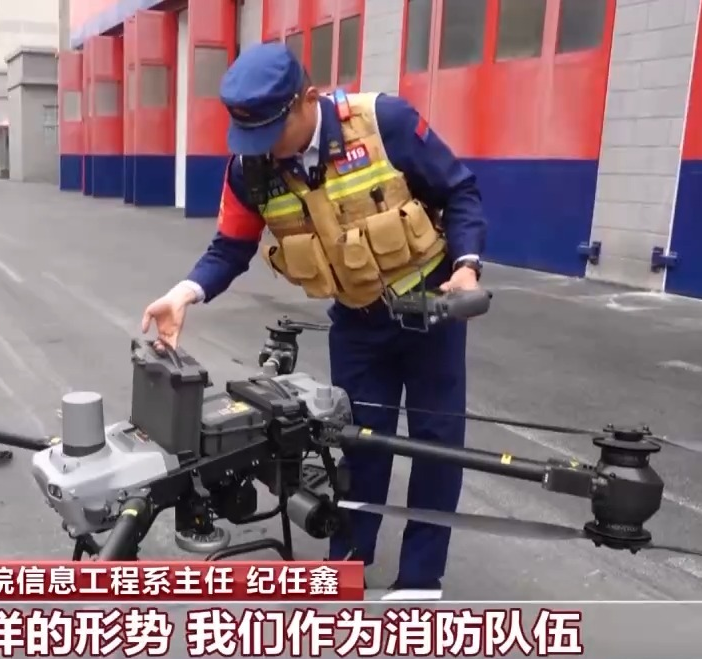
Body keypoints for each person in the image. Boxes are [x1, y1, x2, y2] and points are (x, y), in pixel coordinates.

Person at [140, 43, 486, 600]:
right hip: (358, 323)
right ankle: (347, 563)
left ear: (309, 98)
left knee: (436, 446)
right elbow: (231, 246)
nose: (263, 149)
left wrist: (466, 267)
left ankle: (421, 580)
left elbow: (459, 189)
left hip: (431, 311)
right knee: (357, 443)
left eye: (270, 132)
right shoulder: (249, 169)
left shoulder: (384, 123)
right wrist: (183, 293)